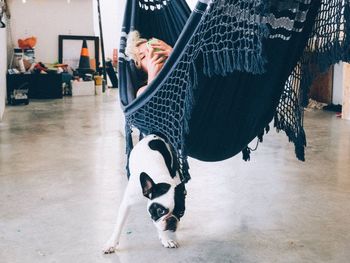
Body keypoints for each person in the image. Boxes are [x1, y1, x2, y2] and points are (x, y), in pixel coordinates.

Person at [125, 31, 173, 96]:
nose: (150, 54)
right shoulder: (141, 91)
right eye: (143, 56)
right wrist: (152, 79)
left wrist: (174, 54)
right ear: (141, 69)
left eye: (153, 49)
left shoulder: (176, 65)